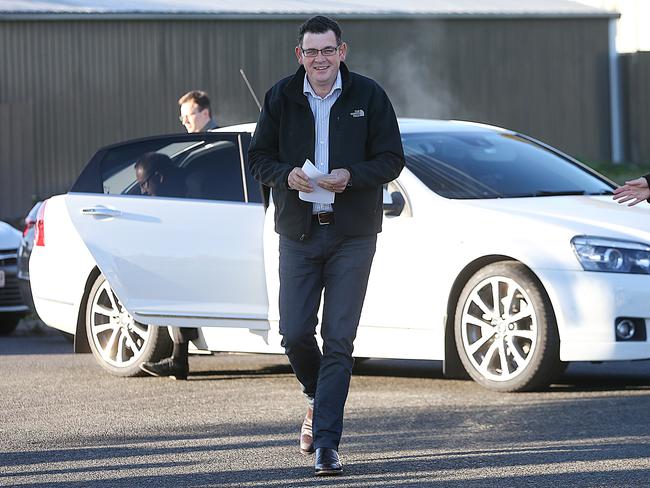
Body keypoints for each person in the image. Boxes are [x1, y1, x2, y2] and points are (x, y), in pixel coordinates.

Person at [248, 15, 404, 476]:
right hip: (298, 232)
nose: (320, 59)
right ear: (300, 56)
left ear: (342, 52)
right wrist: (285, 175)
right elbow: (258, 157)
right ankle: (317, 397)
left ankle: (326, 444)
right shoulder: (281, 97)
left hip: (352, 234)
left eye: (327, 50)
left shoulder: (369, 96)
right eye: (311, 51)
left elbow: (392, 158)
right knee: (294, 332)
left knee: (339, 339)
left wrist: (350, 176)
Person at [135, 152, 195, 380]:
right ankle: (179, 358)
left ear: (159, 178)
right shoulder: (168, 199)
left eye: (144, 184)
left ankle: (180, 359)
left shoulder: (193, 192)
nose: (142, 191)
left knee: (176, 280)